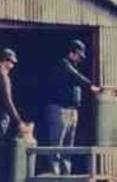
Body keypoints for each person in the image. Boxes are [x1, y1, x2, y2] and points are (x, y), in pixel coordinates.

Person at [41, 39, 100, 174]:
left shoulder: (72, 66)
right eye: (79, 56)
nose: (80, 59)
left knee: (68, 146)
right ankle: (55, 177)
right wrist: (91, 86)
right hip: (59, 109)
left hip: (71, 109)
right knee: (57, 144)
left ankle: (66, 176)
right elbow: (76, 76)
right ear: (72, 53)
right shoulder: (64, 64)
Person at [0, 48, 25, 182]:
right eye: (11, 63)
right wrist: (18, 120)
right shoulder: (2, 75)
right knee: (0, 147)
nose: (12, 66)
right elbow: (7, 99)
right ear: (5, 60)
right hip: (1, 114)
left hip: (0, 113)